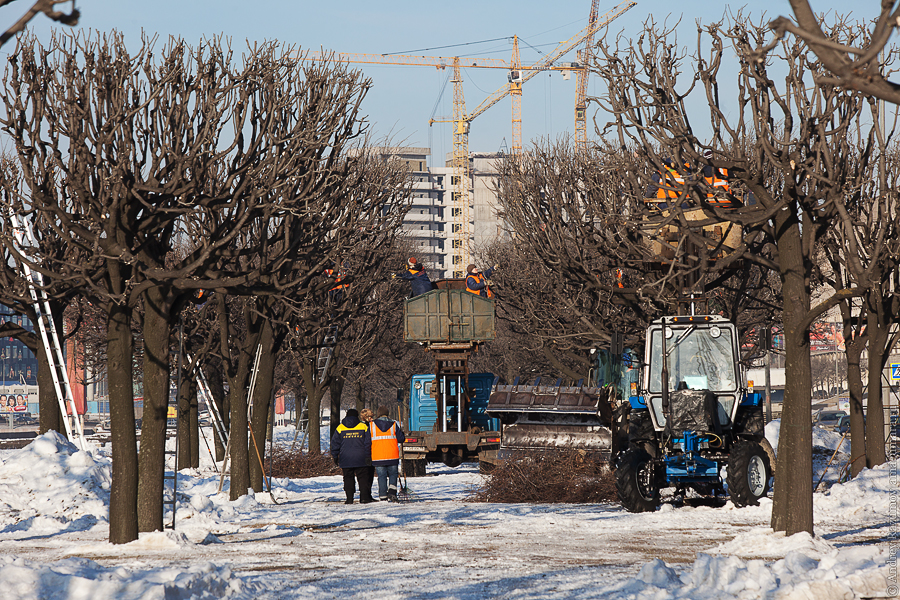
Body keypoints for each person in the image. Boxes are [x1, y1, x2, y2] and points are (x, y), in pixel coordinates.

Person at [330, 408, 376, 504]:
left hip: (345, 458)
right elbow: (368, 441)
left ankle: (349, 498)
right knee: (363, 478)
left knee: (348, 478)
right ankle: (364, 498)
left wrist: (335, 456)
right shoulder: (363, 427)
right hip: (361, 457)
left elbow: (335, 443)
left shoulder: (340, 427)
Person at [369, 405, 406, 502]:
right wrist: (402, 433)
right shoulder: (394, 424)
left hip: (378, 456)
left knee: (382, 477)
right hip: (392, 455)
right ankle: (392, 493)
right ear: (387, 413)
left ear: (378, 414)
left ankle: (383, 497)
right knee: (393, 474)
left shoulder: (372, 425)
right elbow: (401, 439)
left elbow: (367, 442)